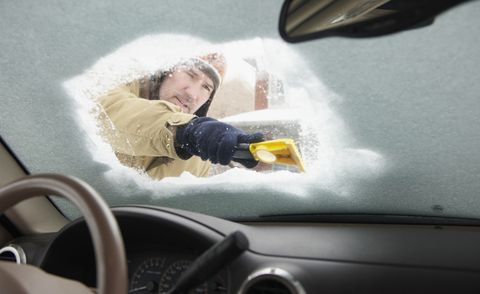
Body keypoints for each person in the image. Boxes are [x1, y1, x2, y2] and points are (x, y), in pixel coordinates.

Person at [97, 53, 264, 180]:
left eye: (206, 87)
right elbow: (109, 114)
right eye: (190, 74)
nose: (192, 94)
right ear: (166, 70)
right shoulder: (115, 84)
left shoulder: (199, 155)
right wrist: (185, 130)